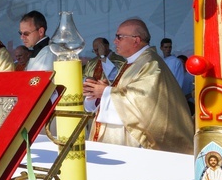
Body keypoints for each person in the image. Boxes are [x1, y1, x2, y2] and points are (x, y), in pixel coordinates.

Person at [82, 19, 193, 153]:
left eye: (119, 37)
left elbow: (143, 101)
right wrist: (102, 90)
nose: (114, 41)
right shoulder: (134, 61)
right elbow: (127, 91)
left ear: (136, 40)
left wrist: (106, 92)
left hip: (138, 143)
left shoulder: (151, 64)